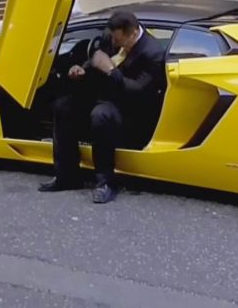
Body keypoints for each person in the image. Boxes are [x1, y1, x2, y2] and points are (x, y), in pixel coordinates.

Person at [39, 11, 166, 204]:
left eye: (119, 40)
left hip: (129, 108)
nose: (115, 44)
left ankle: (105, 182)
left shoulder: (152, 52)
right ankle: (67, 175)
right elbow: (98, 58)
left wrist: (111, 70)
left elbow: (140, 91)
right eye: (113, 39)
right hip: (102, 96)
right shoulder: (112, 38)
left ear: (132, 34)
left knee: (101, 116)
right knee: (63, 106)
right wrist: (83, 69)